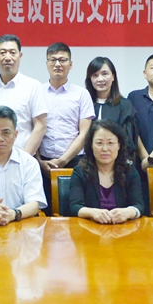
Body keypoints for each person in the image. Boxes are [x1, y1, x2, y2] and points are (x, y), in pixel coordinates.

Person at [38, 42, 95, 212]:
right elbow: (32, 129)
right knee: (44, 212)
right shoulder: (36, 92)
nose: (57, 64)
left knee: (74, 210)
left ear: (70, 64)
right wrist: (39, 160)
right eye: (53, 60)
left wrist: (63, 160)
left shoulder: (81, 94)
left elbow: (84, 133)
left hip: (75, 162)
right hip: (42, 163)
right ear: (46, 63)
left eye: (62, 60)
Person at [0, 34, 48, 155]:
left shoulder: (33, 86)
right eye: (3, 53)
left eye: (12, 53)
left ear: (20, 56)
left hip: (23, 158)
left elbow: (40, 126)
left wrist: (24, 159)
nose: (8, 57)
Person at [69, 119, 144, 223]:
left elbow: (139, 205)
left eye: (110, 143)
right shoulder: (80, 171)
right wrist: (92, 212)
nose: (105, 149)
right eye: (99, 143)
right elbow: (74, 206)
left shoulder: (129, 170)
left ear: (119, 145)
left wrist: (129, 212)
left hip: (122, 228)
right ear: (91, 145)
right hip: (90, 228)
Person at [84, 56, 139, 165]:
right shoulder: (84, 103)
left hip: (118, 164)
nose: (100, 79)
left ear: (113, 77)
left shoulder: (125, 105)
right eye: (95, 75)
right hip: (88, 163)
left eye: (105, 74)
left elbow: (129, 141)